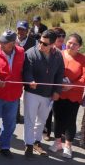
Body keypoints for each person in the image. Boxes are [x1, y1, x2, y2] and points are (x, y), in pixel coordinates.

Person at [23, 29, 64, 158]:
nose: (41, 45)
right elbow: (26, 70)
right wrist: (30, 80)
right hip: (32, 92)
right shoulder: (30, 53)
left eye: (45, 44)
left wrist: (57, 90)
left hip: (47, 94)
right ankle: (28, 145)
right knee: (29, 119)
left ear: (52, 44)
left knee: (41, 120)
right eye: (40, 42)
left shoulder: (58, 55)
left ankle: (37, 142)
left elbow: (60, 74)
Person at [0, 30, 25, 159]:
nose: (2, 44)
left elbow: (25, 70)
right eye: (1, 41)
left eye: (6, 42)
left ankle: (5, 147)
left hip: (14, 94)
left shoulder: (21, 52)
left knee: (10, 123)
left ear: (13, 43)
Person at [49, 33, 85, 159]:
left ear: (79, 46)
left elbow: (84, 77)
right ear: (66, 42)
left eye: (75, 44)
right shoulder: (58, 54)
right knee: (57, 118)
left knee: (70, 120)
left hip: (74, 95)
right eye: (70, 42)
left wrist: (73, 85)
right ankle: (57, 142)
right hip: (58, 93)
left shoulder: (83, 59)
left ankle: (68, 145)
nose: (71, 45)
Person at [44, 27, 67, 140]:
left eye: (63, 35)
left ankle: (60, 131)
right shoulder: (48, 47)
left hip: (62, 83)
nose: (61, 38)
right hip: (49, 82)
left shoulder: (67, 49)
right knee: (47, 108)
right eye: (59, 36)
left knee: (59, 109)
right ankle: (46, 131)